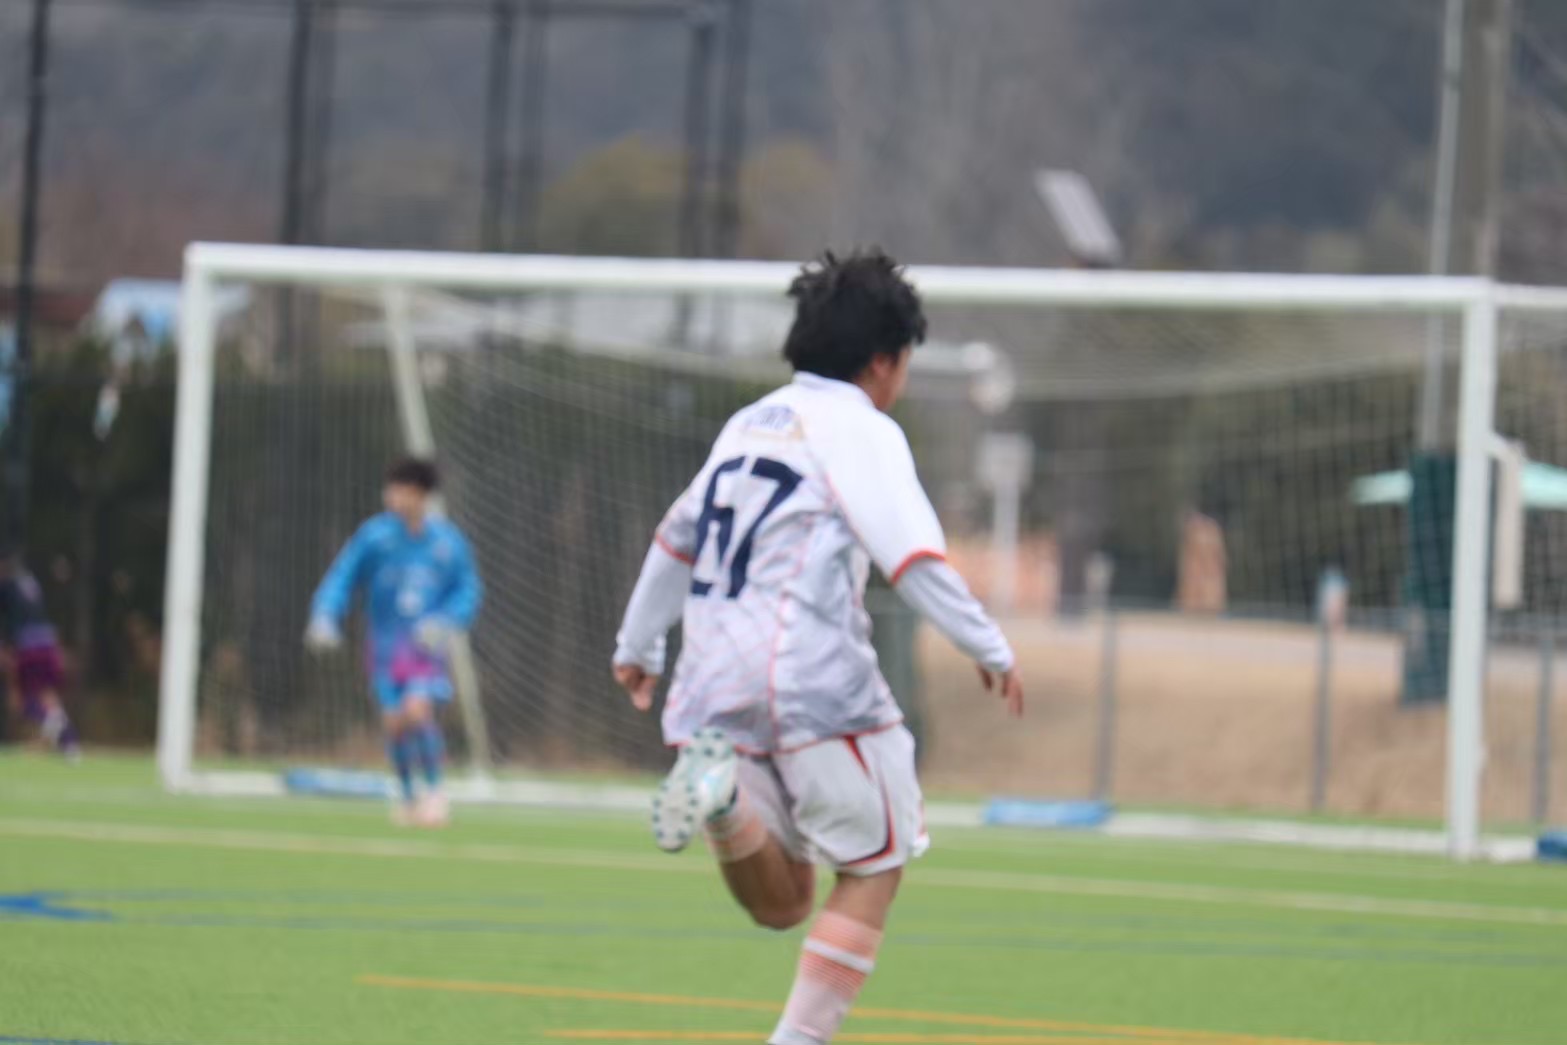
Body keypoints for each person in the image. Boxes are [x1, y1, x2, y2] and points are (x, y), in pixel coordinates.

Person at [612, 249, 1024, 1045]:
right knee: (875, 863)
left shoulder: (747, 424)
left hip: (712, 677)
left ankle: (723, 799)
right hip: (810, 678)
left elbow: (675, 537)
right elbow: (911, 556)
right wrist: (988, 644)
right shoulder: (862, 428)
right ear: (883, 362)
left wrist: (638, 642)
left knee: (786, 901)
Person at [305, 457, 482, 827]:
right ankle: (407, 797)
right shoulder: (375, 537)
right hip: (385, 649)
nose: (392, 497)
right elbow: (343, 575)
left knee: (418, 711)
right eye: (391, 489)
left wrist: (446, 620)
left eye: (400, 490)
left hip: (423, 650)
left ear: (420, 494)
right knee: (395, 724)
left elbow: (468, 589)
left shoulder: (447, 543)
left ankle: (435, 794)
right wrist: (325, 613)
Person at [0, 550, 80, 760]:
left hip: (29, 648)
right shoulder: (28, 580)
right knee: (48, 696)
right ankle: (70, 744)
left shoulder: (6, 585)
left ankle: (51, 725)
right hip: (48, 643)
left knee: (26, 702)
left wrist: (7, 650)